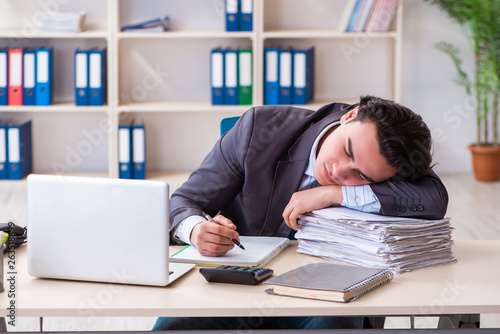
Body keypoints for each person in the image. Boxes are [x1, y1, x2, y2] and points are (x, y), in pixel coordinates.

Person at [152, 96, 448, 331]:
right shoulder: (259, 128)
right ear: (349, 116)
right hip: (237, 286)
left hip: (329, 294)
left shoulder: (388, 161)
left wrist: (335, 193)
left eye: (360, 175)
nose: (338, 172)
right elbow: (183, 201)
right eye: (346, 151)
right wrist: (194, 229)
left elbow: (434, 198)